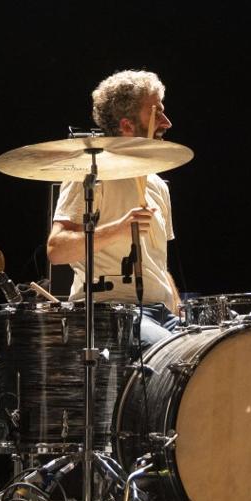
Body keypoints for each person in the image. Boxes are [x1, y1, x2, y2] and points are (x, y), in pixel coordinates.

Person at [46, 70, 181, 349]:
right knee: (173, 359)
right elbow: (57, 249)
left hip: (161, 315)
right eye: (157, 113)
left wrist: (179, 311)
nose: (167, 122)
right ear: (127, 126)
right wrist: (118, 229)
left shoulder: (157, 183)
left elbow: (158, 265)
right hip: (112, 311)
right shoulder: (91, 174)